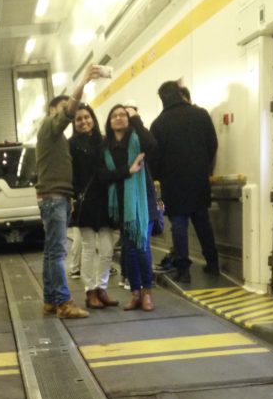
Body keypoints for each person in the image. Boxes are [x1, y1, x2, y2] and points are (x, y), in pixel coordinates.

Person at [35, 64, 105, 320]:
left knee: (51, 251)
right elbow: (69, 108)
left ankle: (50, 300)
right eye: (66, 110)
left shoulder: (55, 138)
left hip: (56, 198)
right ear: (55, 111)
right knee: (57, 252)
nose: (73, 115)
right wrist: (84, 80)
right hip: (54, 199)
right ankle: (64, 302)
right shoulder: (49, 128)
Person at [149, 79, 219, 284]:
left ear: (162, 98)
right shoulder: (201, 114)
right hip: (198, 180)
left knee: (179, 226)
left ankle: (183, 270)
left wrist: (162, 175)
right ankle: (213, 264)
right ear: (180, 94)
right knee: (202, 223)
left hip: (173, 184)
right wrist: (203, 168)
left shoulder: (158, 124)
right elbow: (212, 144)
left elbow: (154, 158)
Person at [103, 104, 156, 310]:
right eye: (114, 115)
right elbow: (103, 175)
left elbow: (152, 145)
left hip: (143, 202)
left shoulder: (138, 139)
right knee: (129, 250)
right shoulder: (106, 147)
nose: (119, 118)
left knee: (142, 247)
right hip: (121, 202)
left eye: (123, 115)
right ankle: (135, 292)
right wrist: (127, 170)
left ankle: (147, 293)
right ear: (109, 122)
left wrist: (136, 118)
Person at [68, 103, 118, 310]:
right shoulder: (70, 145)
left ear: (93, 119)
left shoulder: (105, 141)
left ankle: (102, 288)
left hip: (105, 200)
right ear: (74, 123)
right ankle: (90, 291)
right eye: (79, 119)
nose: (84, 122)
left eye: (87, 117)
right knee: (89, 248)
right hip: (85, 201)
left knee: (107, 249)